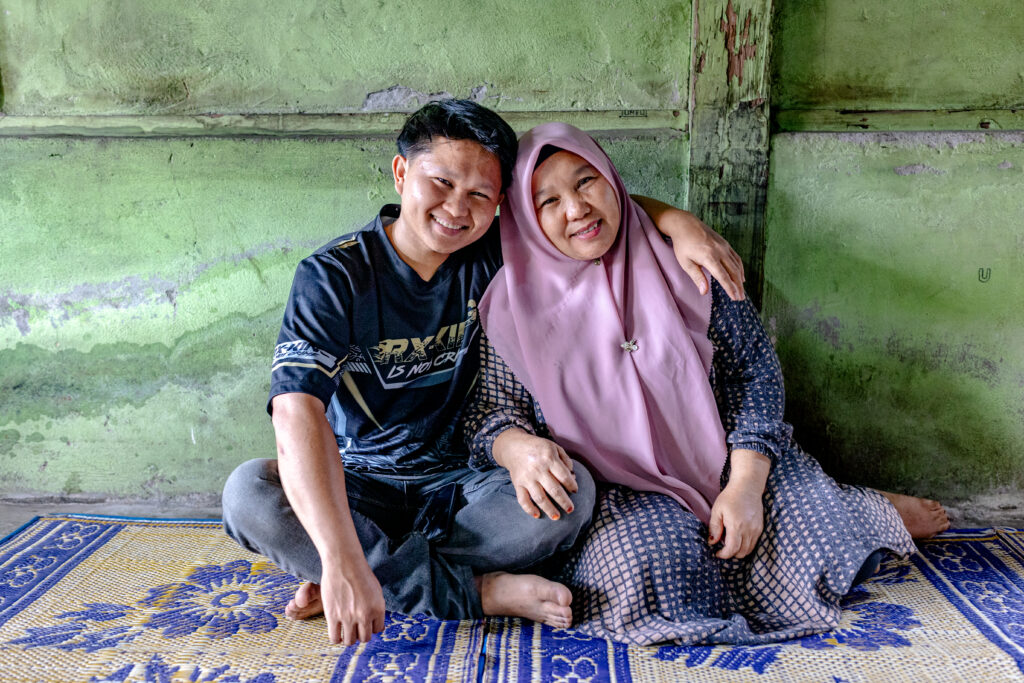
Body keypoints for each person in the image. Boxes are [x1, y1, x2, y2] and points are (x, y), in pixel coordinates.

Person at [220, 101, 747, 646]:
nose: (456, 209)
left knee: (571, 494)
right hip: (359, 485)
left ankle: (378, 576)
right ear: (402, 173)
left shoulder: (496, 253)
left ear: (500, 204)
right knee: (247, 493)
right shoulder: (333, 275)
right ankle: (476, 592)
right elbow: (295, 410)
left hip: (464, 489)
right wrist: (338, 553)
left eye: (479, 195)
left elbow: (590, 212)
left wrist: (677, 222)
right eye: (441, 183)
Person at [464, 122, 950, 646]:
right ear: (524, 220)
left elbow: (755, 375)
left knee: (816, 536)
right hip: (616, 489)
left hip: (728, 459)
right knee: (641, 576)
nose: (577, 208)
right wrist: (517, 448)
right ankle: (847, 505)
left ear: (612, 179)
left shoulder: (691, 262)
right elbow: (491, 411)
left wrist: (743, 488)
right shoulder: (510, 308)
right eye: (548, 201)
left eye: (586, 182)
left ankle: (859, 509)